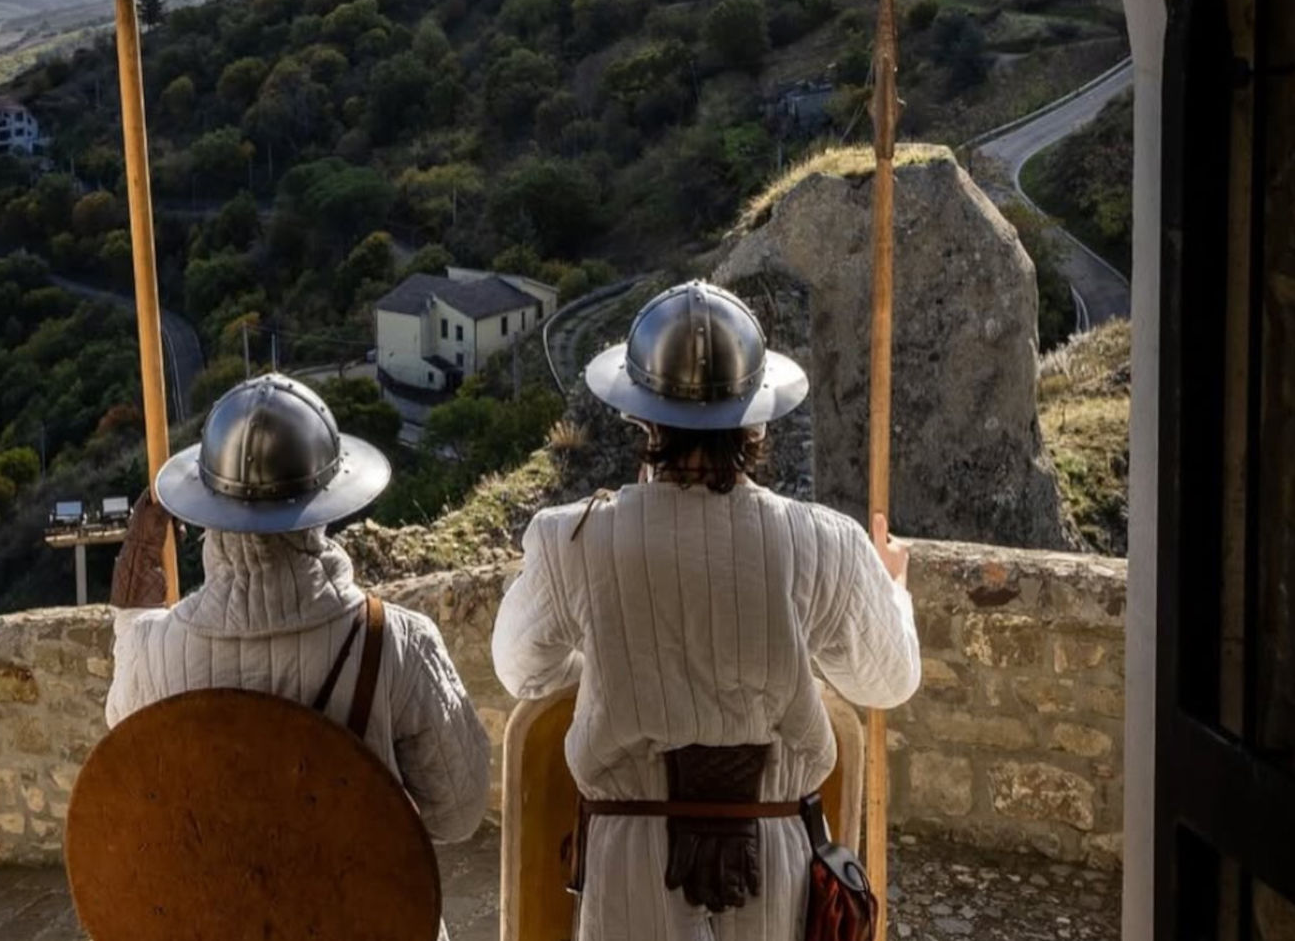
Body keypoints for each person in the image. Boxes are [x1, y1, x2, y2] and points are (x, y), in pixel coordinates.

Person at [492, 281, 921, 941]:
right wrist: (891, 588)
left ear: (643, 420)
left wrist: (605, 637)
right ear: (757, 421)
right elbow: (887, 680)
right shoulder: (823, 541)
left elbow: (521, 670)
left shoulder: (572, 539)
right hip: (777, 855)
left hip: (630, 863)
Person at [105, 374, 491, 851]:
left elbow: (125, 751)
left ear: (208, 506)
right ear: (326, 501)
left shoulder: (153, 653)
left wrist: (132, 603)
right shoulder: (398, 641)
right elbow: (456, 814)